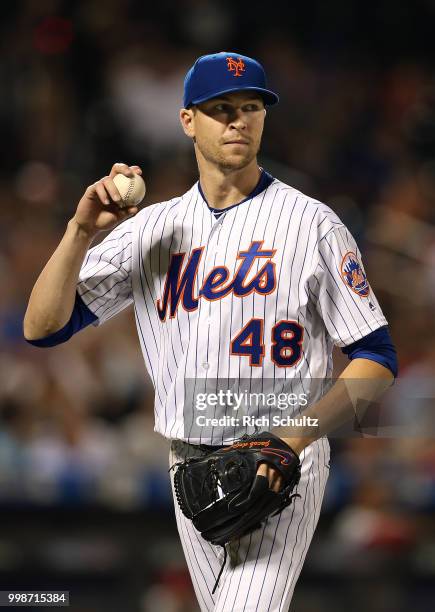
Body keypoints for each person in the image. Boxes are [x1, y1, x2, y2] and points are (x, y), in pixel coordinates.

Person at [24, 52, 397, 611]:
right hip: (189, 464)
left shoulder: (312, 222)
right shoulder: (151, 228)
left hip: (280, 460)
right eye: (221, 108)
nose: (238, 120)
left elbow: (377, 360)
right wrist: (78, 231)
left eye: (251, 107)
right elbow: (43, 327)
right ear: (188, 121)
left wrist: (290, 440)